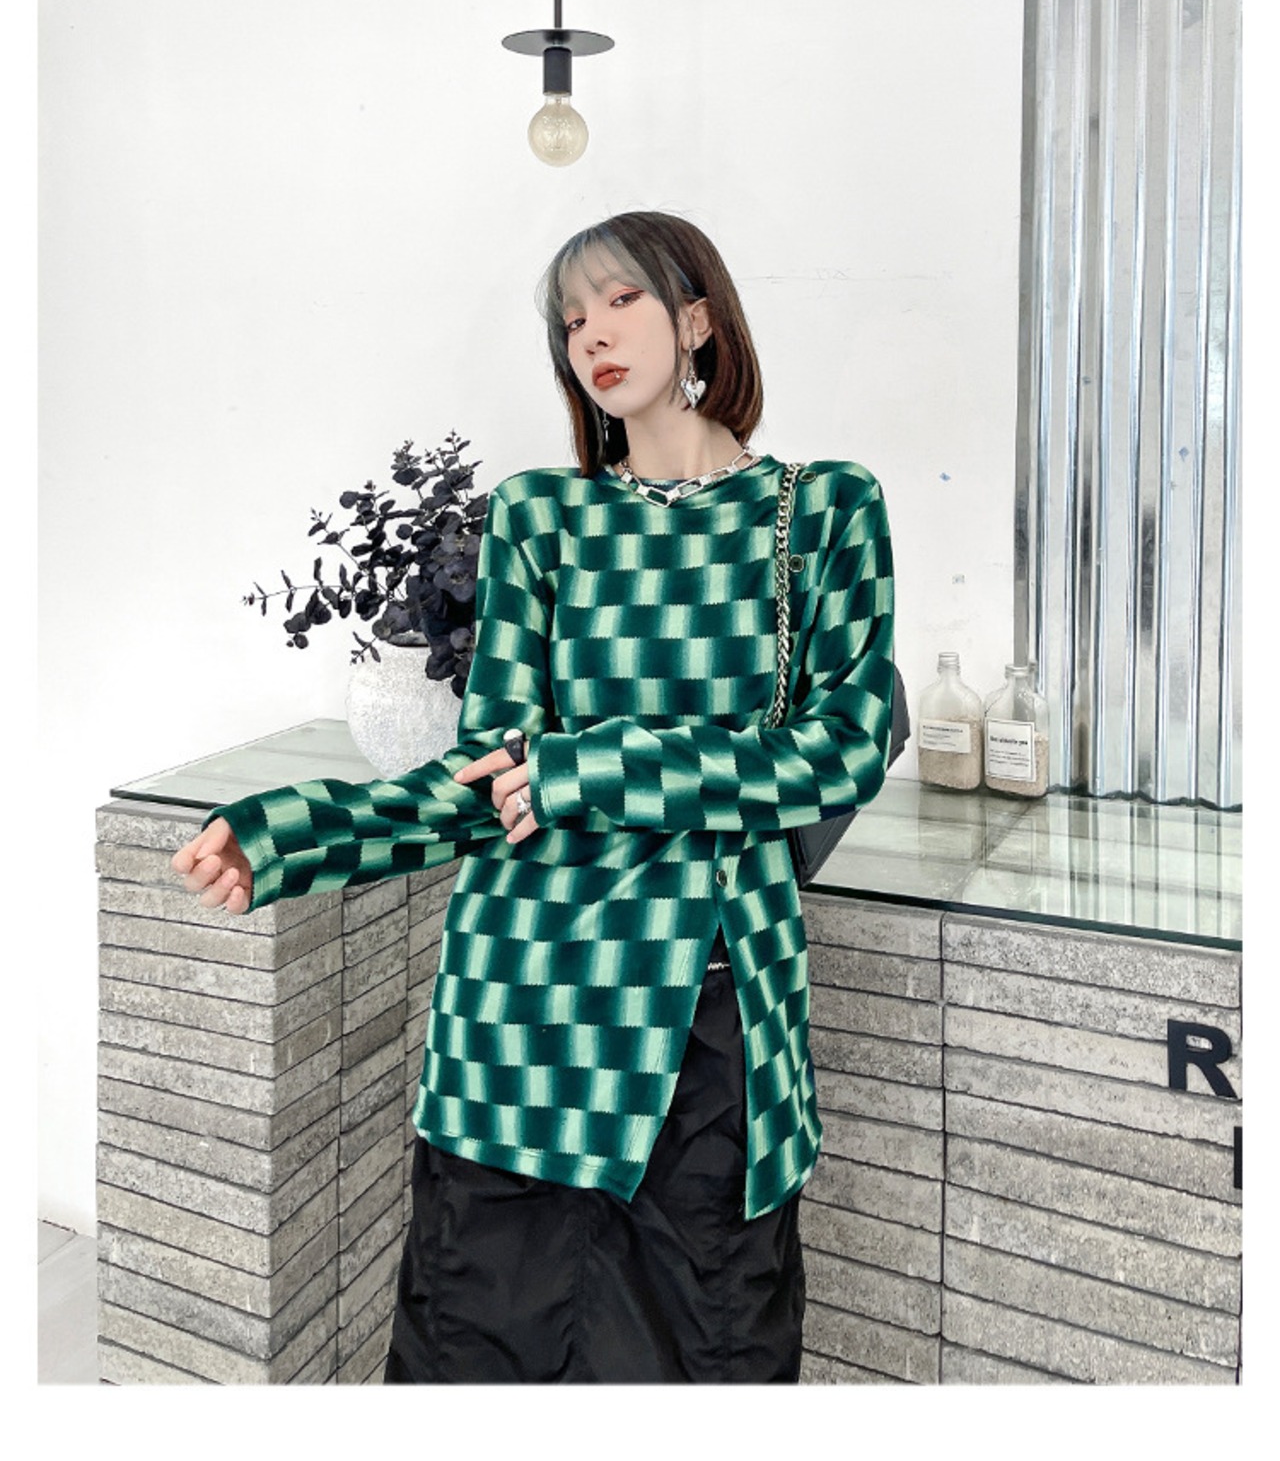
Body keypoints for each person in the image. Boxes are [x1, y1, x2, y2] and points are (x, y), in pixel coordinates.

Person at [170, 210, 896, 1384]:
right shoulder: (541, 514)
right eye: (569, 318)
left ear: (696, 318)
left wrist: (589, 764)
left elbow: (841, 747)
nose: (589, 334)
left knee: (700, 1361)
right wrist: (291, 832)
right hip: (519, 1011)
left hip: (703, 1021)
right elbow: (484, 779)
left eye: (619, 300)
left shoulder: (817, 508)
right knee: (475, 1363)